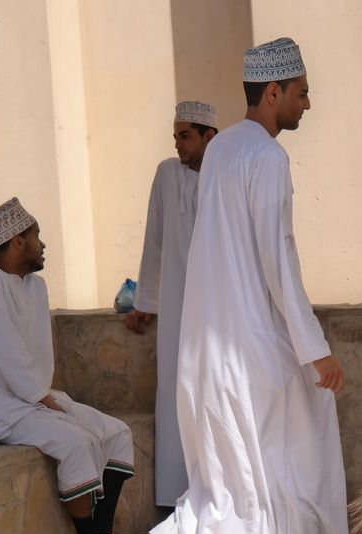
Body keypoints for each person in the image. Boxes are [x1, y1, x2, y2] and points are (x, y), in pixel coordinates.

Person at [119, 38, 362, 534]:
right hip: (258, 346)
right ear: (273, 92)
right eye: (301, 92)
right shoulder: (267, 157)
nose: (308, 103)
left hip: (215, 347)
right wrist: (316, 349)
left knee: (249, 474)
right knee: (296, 466)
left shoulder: (223, 149)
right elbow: (278, 259)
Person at [0, 198, 135, 534]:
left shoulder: (35, 287)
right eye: (36, 235)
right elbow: (3, 346)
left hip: (30, 398)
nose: (43, 244)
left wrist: (43, 396)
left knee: (117, 432)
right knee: (77, 440)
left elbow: (36, 355)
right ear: (17, 241)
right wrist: (39, 396)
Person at [124, 100, 218, 510]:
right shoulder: (166, 174)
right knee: (175, 390)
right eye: (176, 136)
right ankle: (175, 496)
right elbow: (155, 239)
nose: (178, 143)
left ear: (209, 136)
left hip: (216, 307)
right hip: (177, 309)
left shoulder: (225, 174)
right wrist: (147, 299)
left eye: (185, 136)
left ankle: (216, 493)